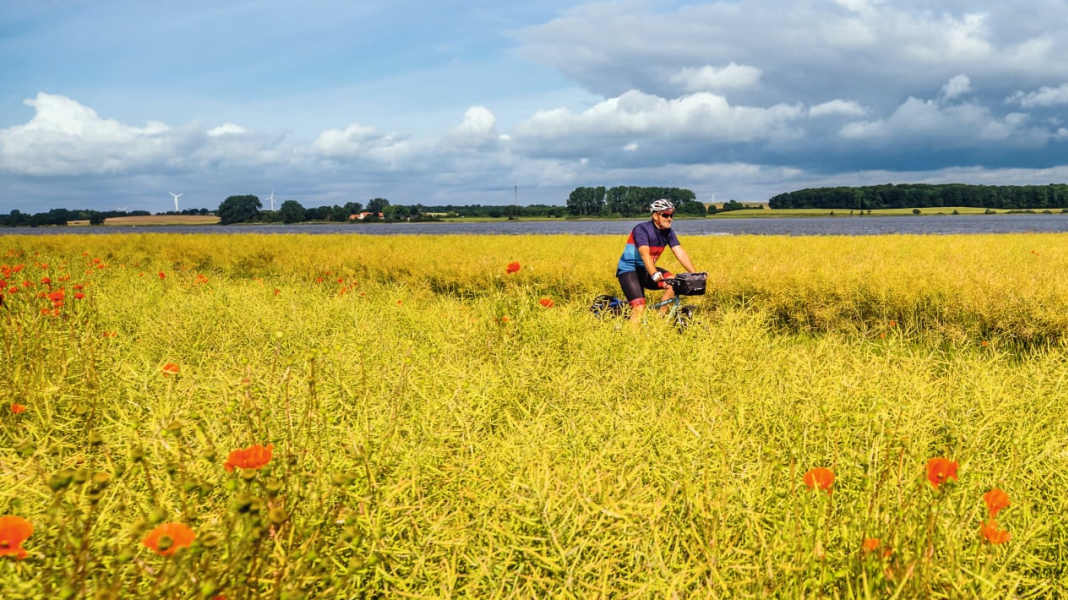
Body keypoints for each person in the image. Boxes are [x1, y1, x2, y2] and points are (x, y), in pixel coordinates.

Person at [615, 199, 698, 324]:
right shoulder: (641, 229)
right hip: (629, 270)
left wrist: (694, 274)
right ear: (655, 215)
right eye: (665, 215)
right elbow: (645, 255)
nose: (670, 218)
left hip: (645, 270)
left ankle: (659, 320)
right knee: (639, 307)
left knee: (674, 283)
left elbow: (679, 252)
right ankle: (632, 338)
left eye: (671, 215)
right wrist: (654, 273)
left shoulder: (668, 232)